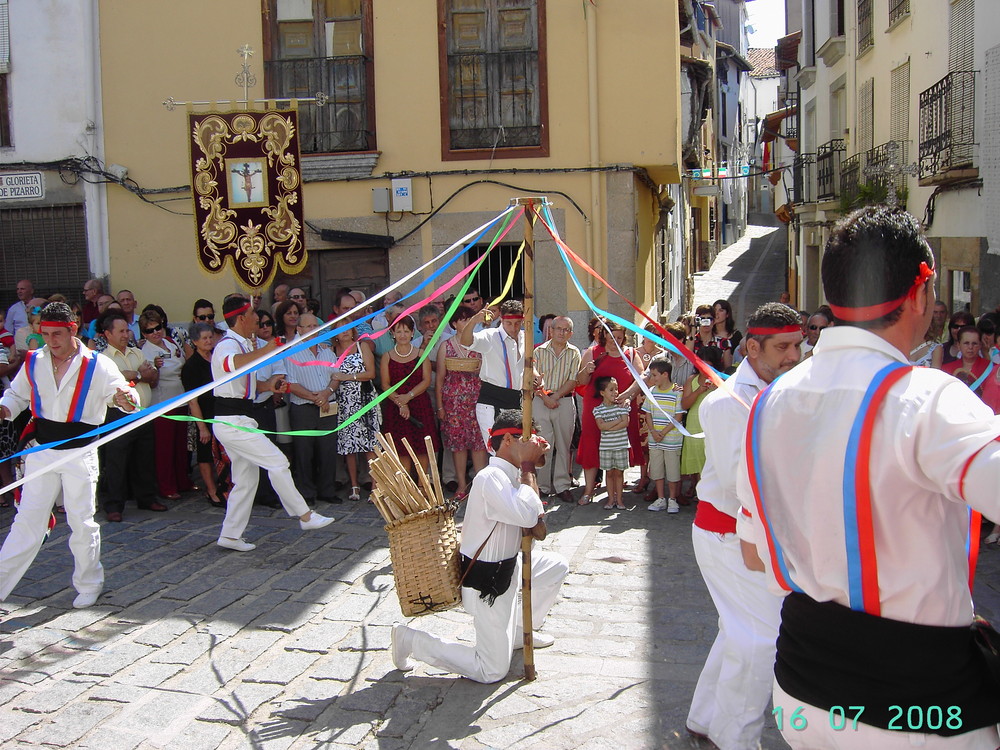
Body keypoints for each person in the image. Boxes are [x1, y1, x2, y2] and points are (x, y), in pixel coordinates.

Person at [738, 206, 1000, 749]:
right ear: (920, 295)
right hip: (915, 706)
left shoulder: (767, 406)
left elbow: (753, 553)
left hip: (803, 692)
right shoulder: (928, 398)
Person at [686, 302, 802, 750]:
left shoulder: (779, 392)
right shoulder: (728, 403)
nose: (794, 356)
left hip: (747, 534)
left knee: (738, 629)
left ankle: (705, 718)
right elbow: (745, 486)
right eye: (782, 347)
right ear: (752, 347)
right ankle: (735, 738)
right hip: (729, 534)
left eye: (797, 345)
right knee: (762, 641)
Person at [390, 408, 568, 684]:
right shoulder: (490, 478)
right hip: (488, 583)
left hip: (511, 566)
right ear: (508, 440)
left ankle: (520, 629)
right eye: (529, 439)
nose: (536, 444)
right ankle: (411, 640)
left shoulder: (512, 474)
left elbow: (538, 530)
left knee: (556, 566)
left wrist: (530, 463)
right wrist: (528, 466)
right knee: (492, 671)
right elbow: (529, 517)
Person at [0, 302, 140, 608]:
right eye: (46, 334)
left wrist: (125, 397)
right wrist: (4, 407)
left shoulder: (97, 364)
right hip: (41, 450)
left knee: (81, 521)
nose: (51, 341)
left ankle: (89, 583)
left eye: (58, 334)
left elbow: (126, 395)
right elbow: (17, 395)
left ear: (73, 330)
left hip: (80, 452)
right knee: (27, 521)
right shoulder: (34, 361)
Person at [210, 296, 334, 552]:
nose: (258, 318)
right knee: (277, 462)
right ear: (242, 318)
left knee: (245, 480)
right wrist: (267, 349)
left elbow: (244, 387)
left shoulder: (243, 345)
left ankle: (230, 535)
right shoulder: (227, 345)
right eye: (254, 314)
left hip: (241, 418)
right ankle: (304, 516)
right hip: (233, 422)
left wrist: (269, 386)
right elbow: (230, 366)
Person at [99, 310, 165, 521]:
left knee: (144, 458)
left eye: (127, 330)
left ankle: (146, 497)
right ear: (108, 334)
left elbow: (152, 377)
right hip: (118, 415)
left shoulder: (137, 352)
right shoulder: (103, 359)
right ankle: (113, 505)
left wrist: (135, 375)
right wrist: (138, 375)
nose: (126, 335)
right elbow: (118, 384)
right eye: (121, 331)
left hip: (143, 412)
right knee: (116, 461)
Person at [574, 321, 644, 505]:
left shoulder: (631, 354)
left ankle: (615, 491)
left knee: (618, 445)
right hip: (595, 407)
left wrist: (628, 395)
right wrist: (587, 371)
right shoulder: (593, 352)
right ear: (604, 335)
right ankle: (589, 490)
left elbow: (641, 378)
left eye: (619, 337)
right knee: (591, 444)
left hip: (621, 406)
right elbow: (580, 381)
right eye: (612, 336)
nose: (615, 340)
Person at [284, 313, 341, 505]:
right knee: (303, 452)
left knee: (327, 451)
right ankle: (306, 493)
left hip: (327, 406)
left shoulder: (327, 351)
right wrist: (315, 398)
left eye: (315, 325)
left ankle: (327, 490)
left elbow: (336, 376)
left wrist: (326, 393)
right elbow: (291, 383)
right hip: (303, 408)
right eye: (307, 326)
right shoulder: (291, 352)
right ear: (298, 329)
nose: (312, 329)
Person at [139, 309, 194, 500]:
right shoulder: (144, 351)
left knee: (180, 445)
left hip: (180, 397)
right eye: (149, 330)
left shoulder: (170, 342)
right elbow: (149, 378)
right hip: (162, 402)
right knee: (165, 447)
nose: (155, 333)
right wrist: (154, 366)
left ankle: (182, 481)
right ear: (143, 333)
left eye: (158, 327)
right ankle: (167, 486)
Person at [435, 305, 488, 500]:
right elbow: (440, 378)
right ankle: (461, 484)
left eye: (469, 319)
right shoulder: (446, 346)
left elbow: (487, 371)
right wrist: (439, 406)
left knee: (478, 443)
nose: (466, 323)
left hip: (477, 399)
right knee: (458, 445)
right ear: (454, 323)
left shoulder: (480, 343)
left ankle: (481, 484)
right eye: (462, 319)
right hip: (453, 403)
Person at [380, 315, 439, 475]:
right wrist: (401, 402)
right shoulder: (387, 356)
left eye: (406, 331)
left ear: (413, 333)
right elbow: (385, 384)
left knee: (422, 448)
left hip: (419, 405)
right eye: (398, 331)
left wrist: (409, 396)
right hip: (396, 407)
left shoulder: (421, 354)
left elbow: (426, 380)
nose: (403, 335)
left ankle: (423, 486)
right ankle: (407, 490)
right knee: (401, 449)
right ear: (392, 333)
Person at [532, 315, 581, 504]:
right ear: (550, 331)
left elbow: (572, 379)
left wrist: (556, 397)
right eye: (558, 328)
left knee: (564, 445)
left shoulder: (574, 352)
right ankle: (542, 486)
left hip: (564, 401)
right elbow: (533, 375)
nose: (561, 332)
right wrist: (545, 396)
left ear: (571, 333)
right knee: (543, 444)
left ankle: (562, 485)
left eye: (565, 329)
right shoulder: (538, 352)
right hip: (540, 400)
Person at [330, 326, 380, 501]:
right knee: (349, 446)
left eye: (348, 328)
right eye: (340, 329)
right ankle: (354, 485)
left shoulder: (362, 347)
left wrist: (348, 377)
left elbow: (371, 373)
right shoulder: (332, 351)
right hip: (344, 403)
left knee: (369, 444)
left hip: (364, 399)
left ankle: (374, 485)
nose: (345, 332)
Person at [181, 322, 226, 507]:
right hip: (203, 413)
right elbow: (193, 401)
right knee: (205, 453)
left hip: (220, 411)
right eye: (204, 338)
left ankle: (224, 484)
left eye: (210, 337)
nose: (209, 341)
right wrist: (202, 427)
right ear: (194, 341)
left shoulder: (216, 358)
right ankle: (211, 490)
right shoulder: (191, 366)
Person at [679, 345, 724, 504]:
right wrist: (699, 391)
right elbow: (684, 405)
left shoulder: (722, 381)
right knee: (696, 456)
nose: (704, 367)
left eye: (708, 364)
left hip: (714, 423)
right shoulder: (691, 380)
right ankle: (698, 489)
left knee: (712, 456)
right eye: (701, 363)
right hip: (694, 423)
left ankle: (712, 493)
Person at [642, 358, 683, 513]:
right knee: (657, 469)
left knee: (673, 469)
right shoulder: (651, 392)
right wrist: (653, 432)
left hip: (671, 439)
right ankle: (660, 498)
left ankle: (672, 499)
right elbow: (648, 414)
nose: (652, 379)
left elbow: (678, 416)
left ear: (665, 374)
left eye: (654, 375)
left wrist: (663, 433)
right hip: (655, 439)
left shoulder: (676, 392)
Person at [593, 376, 630, 511]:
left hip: (620, 445)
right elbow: (601, 426)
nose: (615, 392)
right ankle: (610, 499)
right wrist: (616, 422)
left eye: (616, 389)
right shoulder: (598, 410)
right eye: (611, 389)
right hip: (606, 447)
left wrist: (608, 426)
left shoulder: (622, 405)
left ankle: (619, 499)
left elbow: (625, 422)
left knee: (619, 474)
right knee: (608, 474)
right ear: (602, 393)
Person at [943, 325, 989, 395]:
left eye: (974, 343)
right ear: (958, 345)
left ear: (980, 345)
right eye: (966, 343)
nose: (970, 347)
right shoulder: (946, 370)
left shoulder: (991, 368)